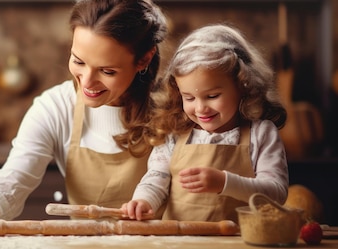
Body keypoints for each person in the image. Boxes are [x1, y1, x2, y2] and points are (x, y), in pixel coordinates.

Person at [0, 0, 168, 220]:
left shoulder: (174, 109)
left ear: (144, 59)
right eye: (78, 62)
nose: (87, 82)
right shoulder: (55, 107)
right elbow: (13, 179)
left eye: (107, 71)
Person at [121, 24, 289, 222]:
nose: (200, 108)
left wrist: (225, 182)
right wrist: (143, 200)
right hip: (179, 241)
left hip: (240, 240)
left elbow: (277, 193)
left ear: (243, 85)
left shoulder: (260, 133)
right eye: (189, 98)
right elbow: (157, 177)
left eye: (212, 95)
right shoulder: (174, 132)